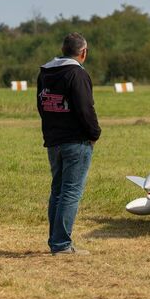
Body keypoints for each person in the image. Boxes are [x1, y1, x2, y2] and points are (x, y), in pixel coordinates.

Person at [37, 33, 101, 255]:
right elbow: (86, 109)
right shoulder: (77, 74)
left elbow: (42, 105)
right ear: (83, 52)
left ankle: (55, 241)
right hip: (76, 141)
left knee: (58, 191)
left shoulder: (45, 72)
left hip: (54, 140)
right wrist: (94, 133)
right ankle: (61, 244)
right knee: (71, 192)